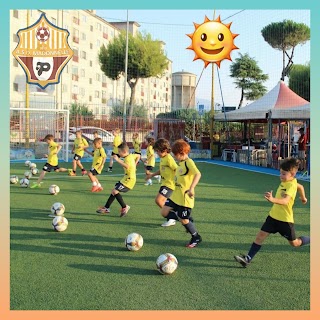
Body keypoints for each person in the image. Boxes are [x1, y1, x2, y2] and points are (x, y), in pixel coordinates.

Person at [234, 157, 309, 268]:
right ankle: (247, 259)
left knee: (295, 243)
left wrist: (273, 199)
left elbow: (285, 201)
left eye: (284, 174)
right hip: (273, 217)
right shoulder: (290, 181)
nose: (281, 176)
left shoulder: (291, 185)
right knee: (260, 236)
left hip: (285, 221)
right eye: (280, 173)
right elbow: (301, 186)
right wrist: (303, 198)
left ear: (292, 175)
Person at [160, 139, 202, 248]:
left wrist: (192, 188)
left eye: (176, 154)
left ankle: (196, 236)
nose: (174, 156)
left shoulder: (189, 162)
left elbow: (198, 174)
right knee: (164, 212)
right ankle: (186, 221)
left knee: (184, 219)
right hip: (175, 196)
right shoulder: (181, 163)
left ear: (182, 153)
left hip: (185, 198)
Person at [96, 143, 136, 217]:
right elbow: (137, 156)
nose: (118, 153)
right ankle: (106, 208)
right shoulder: (129, 156)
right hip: (126, 178)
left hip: (129, 180)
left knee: (115, 191)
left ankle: (125, 207)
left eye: (119, 152)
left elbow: (127, 166)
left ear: (124, 151)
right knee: (114, 190)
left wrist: (117, 160)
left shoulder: (128, 158)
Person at [146, 138, 178, 227]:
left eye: (157, 151)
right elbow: (162, 170)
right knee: (161, 202)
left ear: (163, 150)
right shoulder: (163, 158)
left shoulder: (168, 158)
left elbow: (176, 169)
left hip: (169, 185)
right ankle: (171, 217)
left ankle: (173, 217)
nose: (157, 153)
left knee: (159, 200)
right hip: (164, 184)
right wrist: (152, 175)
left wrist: (179, 180)